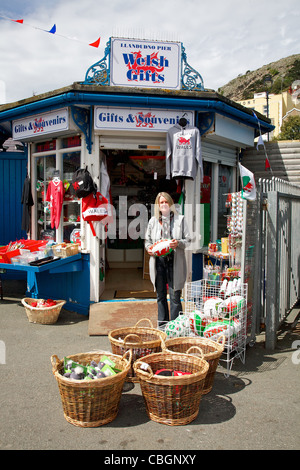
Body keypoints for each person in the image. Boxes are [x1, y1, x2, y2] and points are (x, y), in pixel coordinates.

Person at [145, 192, 191, 326]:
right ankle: (163, 327)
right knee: (160, 296)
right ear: (158, 206)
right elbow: (147, 241)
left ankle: (176, 328)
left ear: (171, 204)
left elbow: (188, 240)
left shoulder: (180, 220)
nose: (164, 204)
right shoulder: (153, 221)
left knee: (175, 297)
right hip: (159, 262)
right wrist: (149, 248)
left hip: (175, 262)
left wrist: (178, 243)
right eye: (161, 202)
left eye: (166, 202)